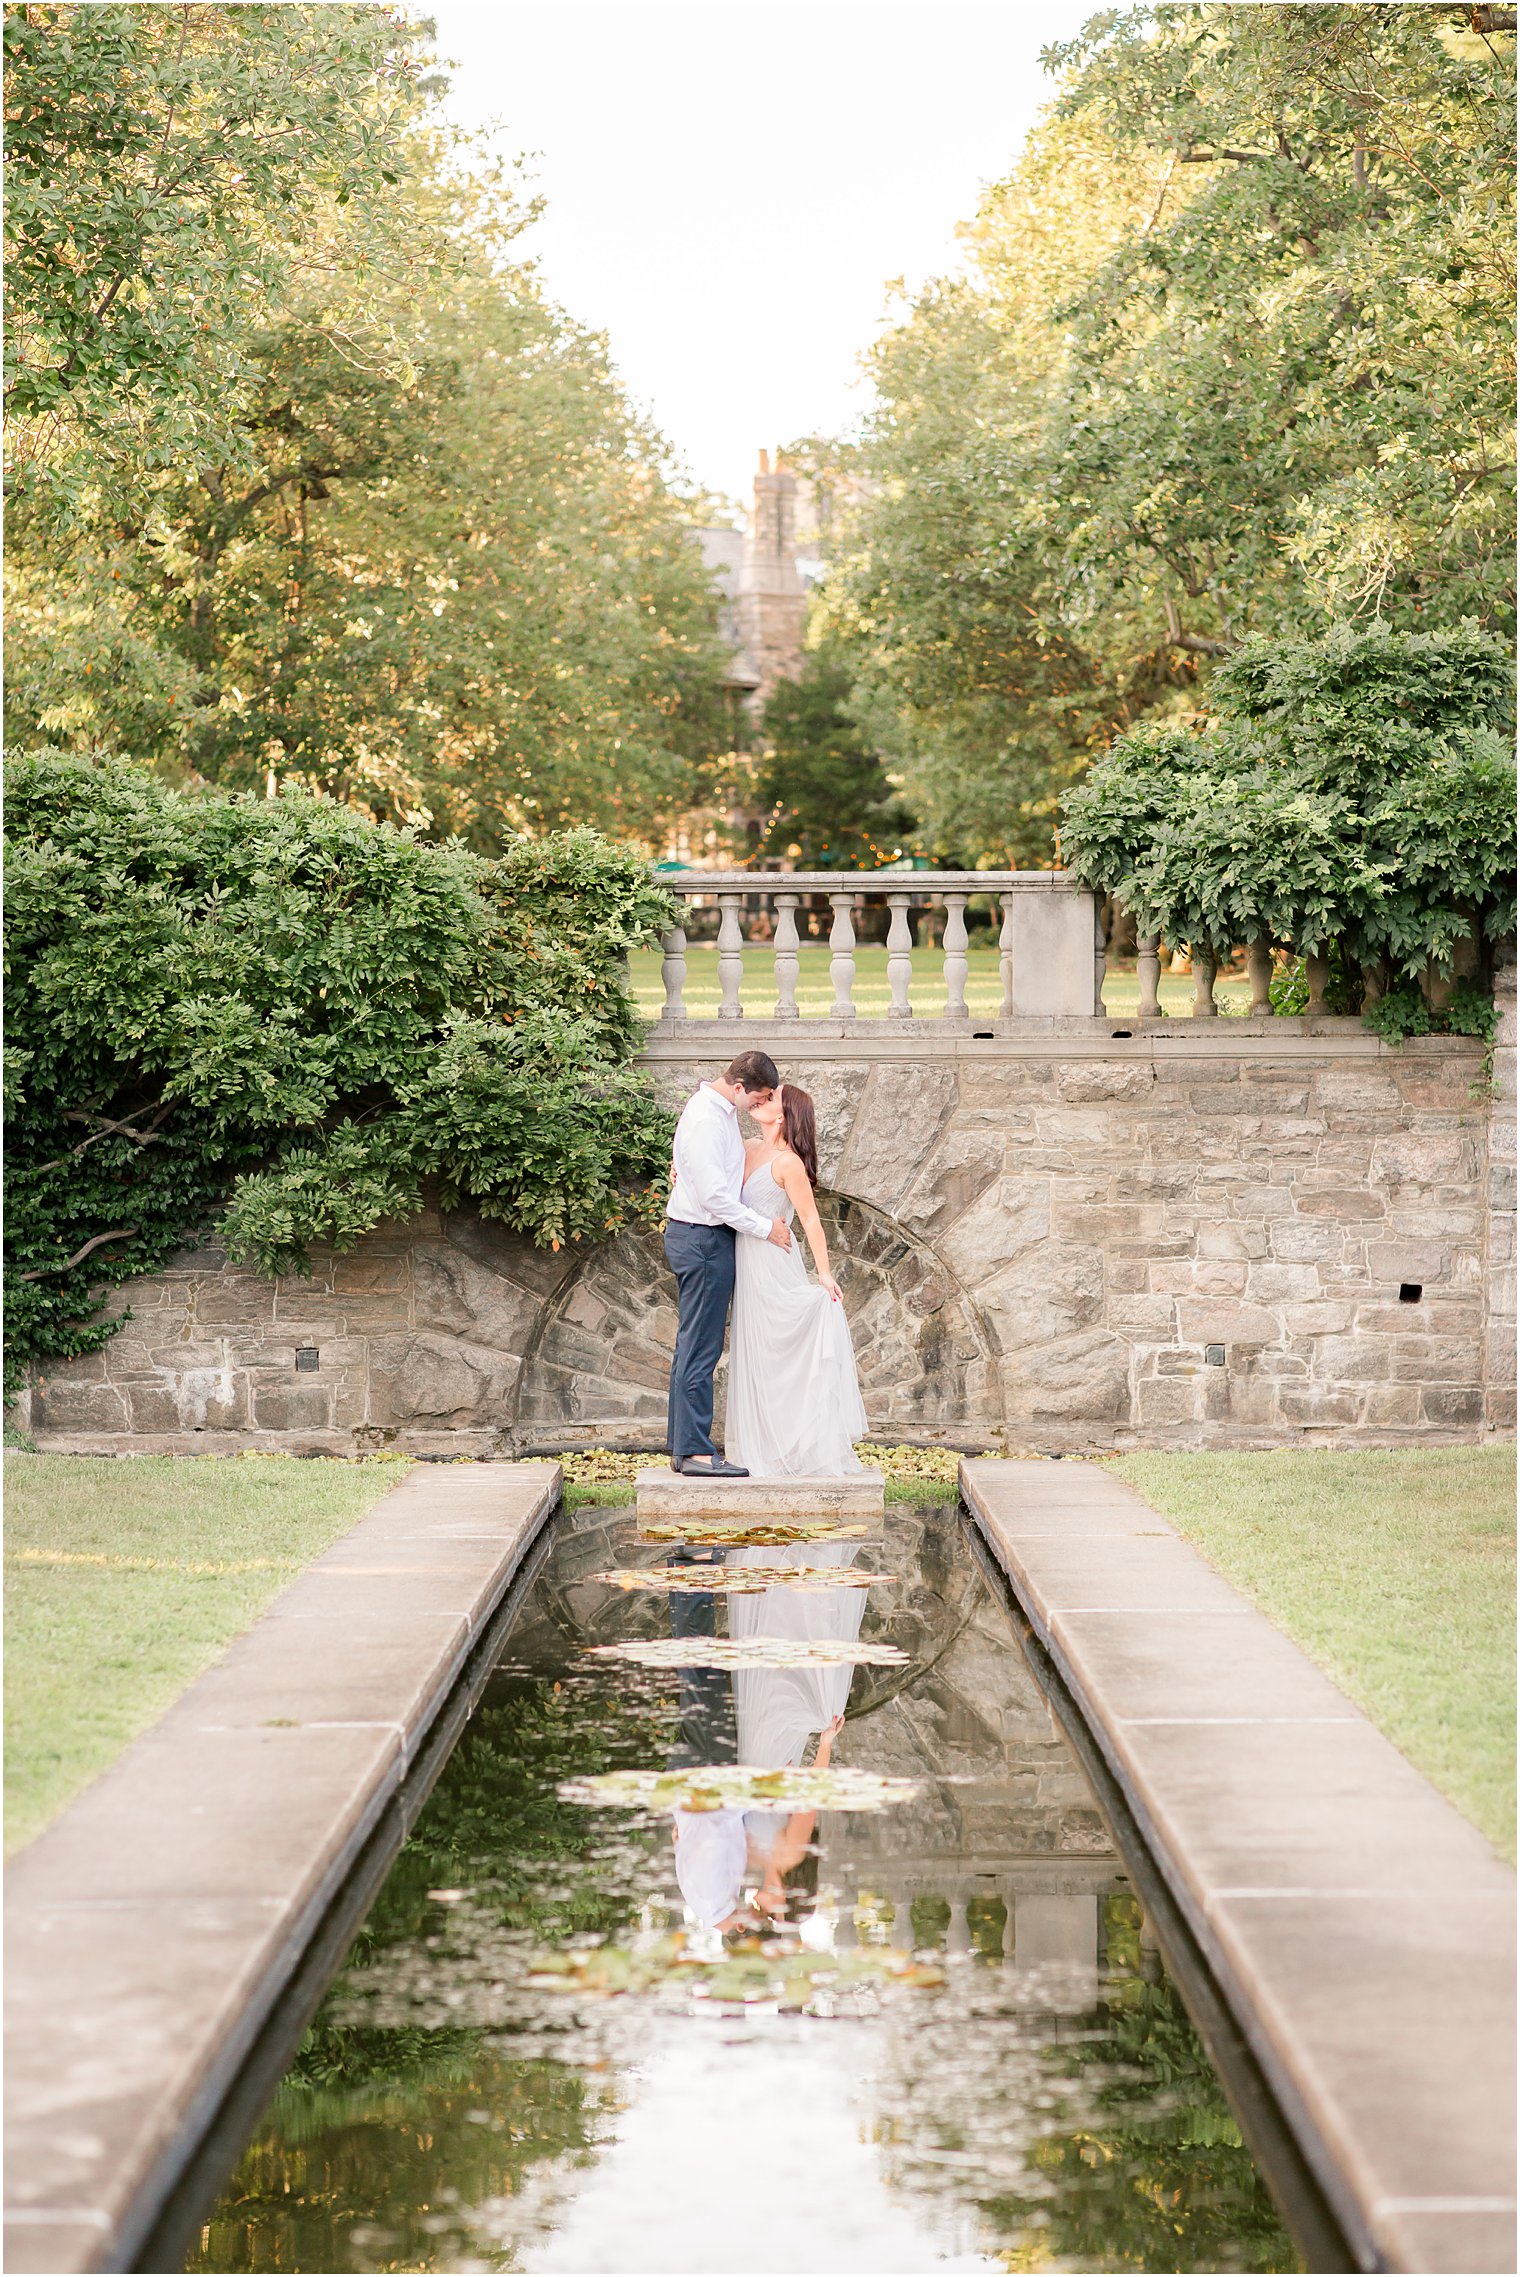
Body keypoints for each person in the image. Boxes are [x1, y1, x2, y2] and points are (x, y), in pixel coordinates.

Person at [725, 1082, 868, 1478]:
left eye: (771, 1099)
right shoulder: (750, 1148)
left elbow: (809, 1219)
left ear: (783, 1115)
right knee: (754, 1350)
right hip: (745, 1262)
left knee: (777, 1353)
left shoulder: (788, 1163)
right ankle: (763, 1447)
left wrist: (823, 1273)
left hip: (774, 1263)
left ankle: (792, 1447)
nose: (760, 1100)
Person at [664, 1049, 792, 1478]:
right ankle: (696, 1454)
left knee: (695, 1345)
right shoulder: (706, 1117)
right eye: (758, 1098)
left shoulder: (719, 1113)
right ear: (738, 1087)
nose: (759, 1106)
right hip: (701, 1239)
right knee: (700, 1348)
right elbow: (715, 1198)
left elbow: (708, 1170)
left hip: (705, 1236)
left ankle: (685, 1448)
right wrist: (765, 1228)